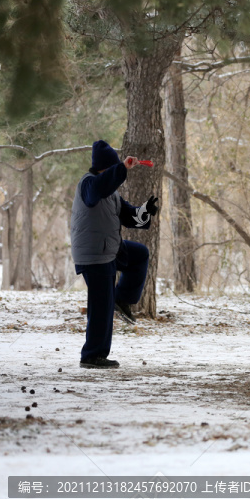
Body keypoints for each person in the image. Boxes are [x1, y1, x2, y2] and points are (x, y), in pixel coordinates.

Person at [71, 140, 159, 369]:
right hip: (94, 255)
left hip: (108, 249)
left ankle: (122, 299)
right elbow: (99, 188)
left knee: (139, 254)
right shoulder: (89, 185)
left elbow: (131, 217)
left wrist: (145, 212)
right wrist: (121, 169)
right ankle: (92, 356)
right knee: (101, 306)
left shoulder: (112, 195)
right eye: (111, 169)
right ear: (105, 169)